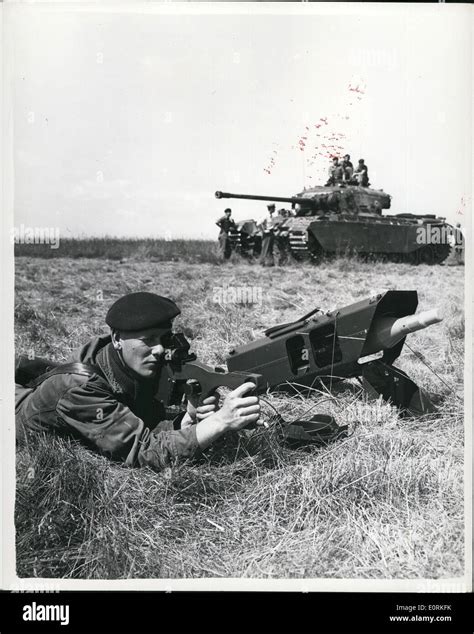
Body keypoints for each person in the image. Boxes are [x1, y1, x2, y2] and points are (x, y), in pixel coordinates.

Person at [15, 292, 262, 471]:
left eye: (163, 339)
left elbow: (140, 420)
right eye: (149, 339)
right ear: (117, 338)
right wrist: (220, 422)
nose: (158, 350)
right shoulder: (80, 389)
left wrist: (187, 419)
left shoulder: (125, 360)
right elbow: (143, 451)